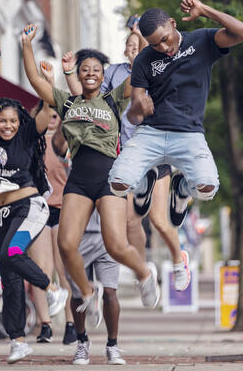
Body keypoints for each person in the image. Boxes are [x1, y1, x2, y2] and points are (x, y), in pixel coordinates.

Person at [20, 24, 159, 327]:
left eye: (97, 69)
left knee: (115, 245)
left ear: (102, 75)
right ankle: (86, 292)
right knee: (67, 245)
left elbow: (141, 69)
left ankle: (146, 273)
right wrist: (26, 44)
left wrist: (140, 37)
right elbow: (34, 79)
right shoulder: (67, 103)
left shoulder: (113, 99)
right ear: (79, 75)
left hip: (109, 178)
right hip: (79, 180)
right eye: (85, 69)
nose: (91, 73)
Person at [63, 26, 191, 292]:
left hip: (154, 153)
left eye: (140, 45)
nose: (135, 49)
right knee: (131, 219)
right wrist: (68, 73)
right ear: (124, 50)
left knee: (158, 219)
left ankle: (180, 260)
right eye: (130, 45)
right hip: (126, 156)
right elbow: (85, 98)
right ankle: (144, 273)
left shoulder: (157, 68)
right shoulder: (113, 74)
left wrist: (143, 39)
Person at [108, 0, 243, 227]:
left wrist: (205, 10)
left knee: (207, 188)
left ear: (173, 23)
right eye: (155, 45)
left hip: (189, 135)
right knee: (117, 184)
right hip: (150, 133)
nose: (164, 48)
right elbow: (134, 116)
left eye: (165, 39)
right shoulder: (144, 60)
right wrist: (138, 107)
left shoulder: (202, 41)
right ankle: (145, 184)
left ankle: (181, 188)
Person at [0, 93, 57, 364]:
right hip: (0, 215)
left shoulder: (26, 134)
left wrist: (46, 84)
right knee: (10, 282)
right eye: (2, 121)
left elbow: (45, 109)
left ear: (19, 121)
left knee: (12, 253)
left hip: (29, 207)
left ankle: (51, 290)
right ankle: (17, 341)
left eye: (12, 121)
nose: (8, 126)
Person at [30, 62, 76, 345]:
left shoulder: (66, 142)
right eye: (48, 111)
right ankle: (45, 324)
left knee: (65, 269)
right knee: (40, 270)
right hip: (36, 210)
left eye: (57, 113)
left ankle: (71, 323)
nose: (52, 117)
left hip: (62, 209)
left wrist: (53, 79)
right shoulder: (29, 139)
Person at [66, 211, 125, 366]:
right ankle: (82, 341)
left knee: (110, 291)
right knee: (78, 294)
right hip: (78, 236)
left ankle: (112, 345)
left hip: (109, 235)